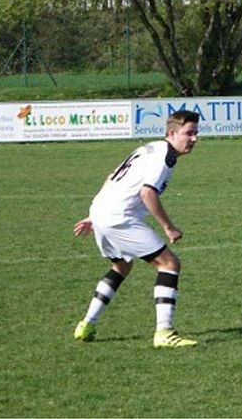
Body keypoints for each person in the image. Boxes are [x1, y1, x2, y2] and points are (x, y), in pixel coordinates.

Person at [71, 110, 200, 348]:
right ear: (172, 133)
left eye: (196, 133)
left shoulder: (148, 148)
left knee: (121, 266)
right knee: (169, 264)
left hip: (102, 211)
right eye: (189, 133)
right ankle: (164, 333)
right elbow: (147, 192)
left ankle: (87, 324)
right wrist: (168, 227)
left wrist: (94, 214)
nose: (194, 139)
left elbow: (112, 177)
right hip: (118, 216)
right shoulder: (165, 156)